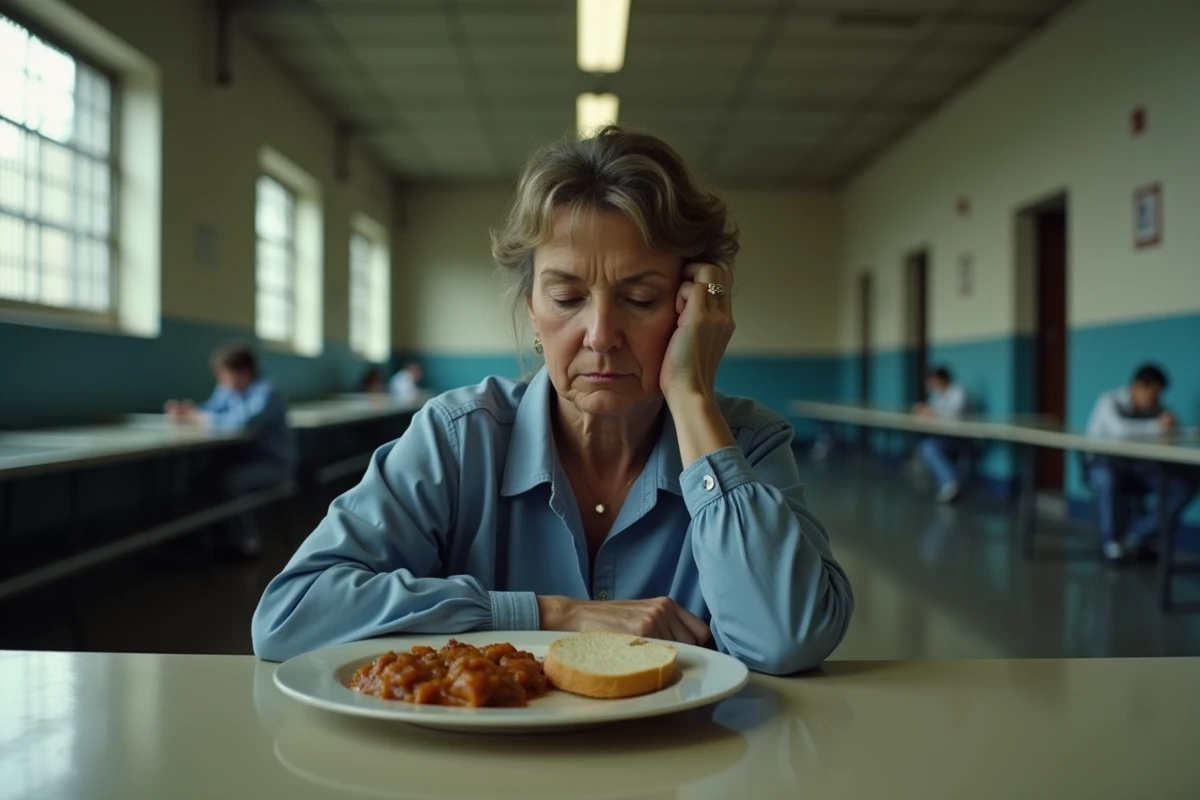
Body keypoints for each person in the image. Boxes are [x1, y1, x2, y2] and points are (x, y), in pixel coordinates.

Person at [251, 126, 853, 673]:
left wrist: (692, 397)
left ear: (693, 308)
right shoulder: (458, 439)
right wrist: (549, 615)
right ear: (532, 313)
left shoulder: (745, 444)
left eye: (641, 299)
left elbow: (787, 637)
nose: (599, 335)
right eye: (566, 298)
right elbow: (291, 615)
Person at [165, 341, 297, 557]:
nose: (222, 382)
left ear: (244, 372)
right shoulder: (228, 390)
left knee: (233, 481)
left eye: (225, 376)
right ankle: (201, 541)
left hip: (273, 464)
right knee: (201, 476)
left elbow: (242, 423)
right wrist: (188, 410)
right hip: (241, 459)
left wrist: (199, 417)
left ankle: (246, 543)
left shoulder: (267, 393)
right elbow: (211, 409)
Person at [1085, 363, 1197, 563]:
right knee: (1106, 480)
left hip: (1139, 468)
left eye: (1159, 395)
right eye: (1152, 394)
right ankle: (1111, 546)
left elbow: (1170, 432)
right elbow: (1119, 430)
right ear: (1137, 387)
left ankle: (1134, 537)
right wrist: (1158, 426)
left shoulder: (1157, 409)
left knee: (1184, 486)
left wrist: (1183, 430)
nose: (1156, 400)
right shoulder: (1109, 401)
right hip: (1105, 464)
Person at [912, 366, 968, 503]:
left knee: (929, 448)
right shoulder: (938, 394)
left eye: (933, 381)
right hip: (944, 435)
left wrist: (932, 413)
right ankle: (948, 483)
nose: (931, 385)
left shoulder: (958, 391)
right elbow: (931, 413)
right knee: (925, 447)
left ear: (940, 379)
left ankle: (950, 483)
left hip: (961, 437)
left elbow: (954, 414)